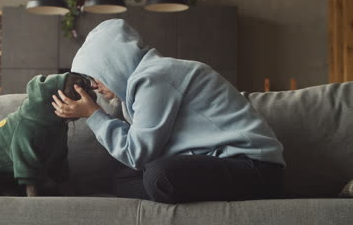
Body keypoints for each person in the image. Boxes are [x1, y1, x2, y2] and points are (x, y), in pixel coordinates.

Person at [52, 19, 285, 204]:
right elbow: (138, 153)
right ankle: (180, 192)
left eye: (95, 75)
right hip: (218, 163)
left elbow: (137, 153)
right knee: (122, 177)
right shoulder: (136, 90)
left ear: (113, 64)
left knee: (158, 176)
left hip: (254, 168)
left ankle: (174, 192)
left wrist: (93, 115)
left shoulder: (155, 77)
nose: (93, 85)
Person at [0, 72, 96, 197]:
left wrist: (64, 185)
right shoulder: (28, 124)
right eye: (77, 92)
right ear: (55, 97)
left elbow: (59, 156)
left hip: (7, 176)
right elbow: (24, 156)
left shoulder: (57, 124)